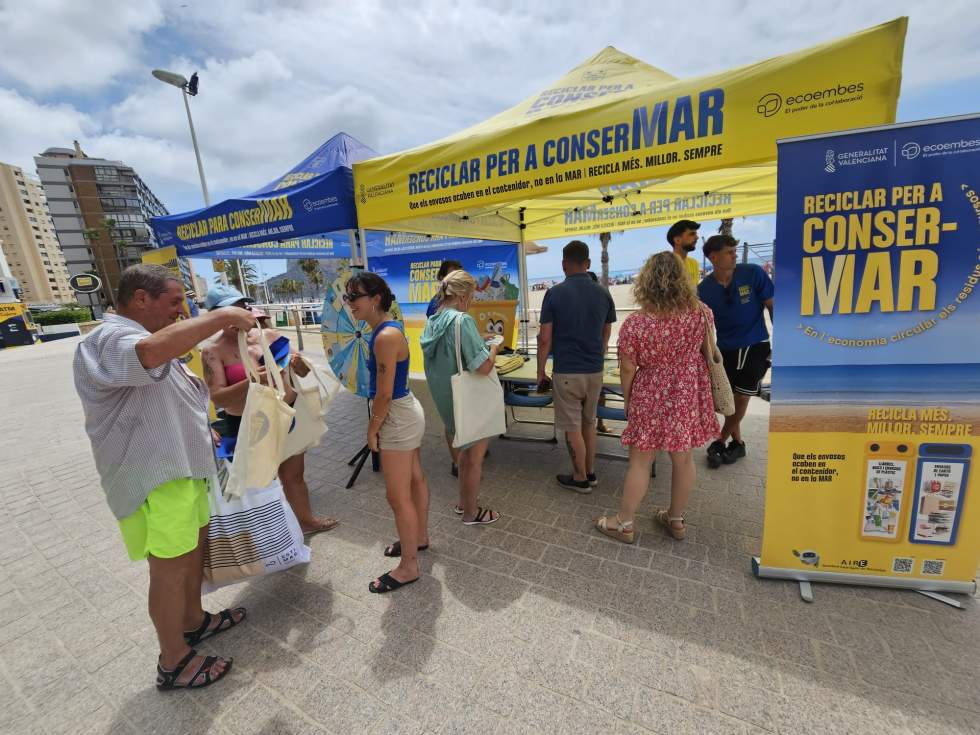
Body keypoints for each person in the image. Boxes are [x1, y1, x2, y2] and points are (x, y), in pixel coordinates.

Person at [74, 264, 257, 690]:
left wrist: (202, 427)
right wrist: (220, 317)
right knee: (170, 568)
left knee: (190, 552)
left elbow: (167, 392)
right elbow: (149, 355)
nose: (182, 310)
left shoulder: (140, 338)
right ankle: (173, 659)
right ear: (140, 299)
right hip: (156, 474)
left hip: (180, 467)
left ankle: (192, 621)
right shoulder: (108, 339)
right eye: (174, 302)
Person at [594, 252, 719, 544]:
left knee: (640, 460)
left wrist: (628, 399)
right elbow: (709, 350)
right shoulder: (702, 312)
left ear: (646, 282)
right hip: (688, 390)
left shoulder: (636, 323)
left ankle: (624, 523)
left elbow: (627, 366)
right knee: (684, 459)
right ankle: (675, 520)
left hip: (650, 390)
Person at [200, 284, 338, 536]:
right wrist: (252, 382)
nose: (239, 313)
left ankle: (305, 521)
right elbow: (217, 397)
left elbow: (304, 373)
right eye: (230, 310)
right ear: (216, 316)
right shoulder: (212, 351)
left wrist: (298, 363)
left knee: (294, 475)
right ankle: (268, 533)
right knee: (260, 480)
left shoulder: (268, 336)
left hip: (285, 415)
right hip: (247, 422)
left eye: (242, 307)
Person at [346, 272, 430, 593]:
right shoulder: (387, 330)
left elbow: (382, 394)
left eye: (355, 296)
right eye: (347, 297)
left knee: (397, 496)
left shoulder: (384, 336)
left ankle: (409, 566)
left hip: (395, 415)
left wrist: (371, 430)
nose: (350, 303)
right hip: (403, 410)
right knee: (415, 480)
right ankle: (419, 539)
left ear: (376, 298)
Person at [421, 270, 501, 525]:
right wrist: (493, 348)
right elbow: (483, 367)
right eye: (473, 296)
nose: (473, 301)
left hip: (447, 397)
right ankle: (471, 513)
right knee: (473, 458)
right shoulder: (462, 321)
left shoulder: (432, 321)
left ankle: (463, 503)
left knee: (463, 455)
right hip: (468, 398)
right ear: (463, 295)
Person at [537, 241, 616, 492]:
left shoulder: (554, 293)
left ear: (563, 264)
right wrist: (600, 350)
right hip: (594, 371)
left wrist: (540, 371)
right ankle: (590, 472)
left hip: (567, 371)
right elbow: (607, 329)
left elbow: (545, 338)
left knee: (572, 428)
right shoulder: (603, 292)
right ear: (588, 264)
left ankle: (580, 477)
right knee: (589, 423)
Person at [697, 234, 774, 468]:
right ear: (713, 257)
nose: (734, 255)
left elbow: (773, 307)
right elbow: (703, 327)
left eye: (735, 250)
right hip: (725, 350)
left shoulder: (752, 273)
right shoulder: (704, 289)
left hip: (756, 345)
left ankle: (720, 440)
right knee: (727, 401)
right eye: (729, 251)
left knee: (742, 397)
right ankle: (738, 443)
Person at [667, 219, 702, 287]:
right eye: (692, 234)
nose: (697, 237)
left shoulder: (693, 263)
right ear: (677, 240)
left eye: (696, 234)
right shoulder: (666, 265)